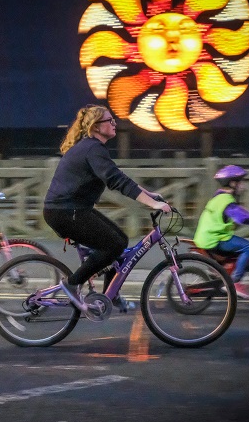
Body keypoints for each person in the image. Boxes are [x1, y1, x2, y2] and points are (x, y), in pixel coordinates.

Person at [42, 104, 171, 317]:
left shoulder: (93, 148)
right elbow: (116, 181)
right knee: (114, 244)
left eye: (113, 120)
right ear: (95, 127)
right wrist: (153, 205)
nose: (114, 124)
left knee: (119, 239)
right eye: (109, 121)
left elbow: (116, 176)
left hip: (74, 209)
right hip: (64, 212)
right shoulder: (92, 149)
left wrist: (150, 195)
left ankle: (111, 293)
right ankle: (72, 284)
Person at [193, 164, 249, 299]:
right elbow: (242, 217)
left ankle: (227, 272)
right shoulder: (227, 201)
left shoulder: (219, 197)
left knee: (240, 247)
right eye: (240, 182)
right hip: (214, 238)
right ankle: (234, 282)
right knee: (248, 247)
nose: (242, 186)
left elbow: (240, 214)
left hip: (210, 236)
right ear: (232, 183)